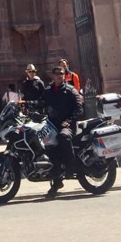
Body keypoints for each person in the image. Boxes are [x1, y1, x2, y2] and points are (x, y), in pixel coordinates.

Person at [44, 65, 84, 197]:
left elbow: (79, 108)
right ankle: (56, 181)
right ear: (53, 75)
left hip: (68, 125)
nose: (59, 76)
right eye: (57, 74)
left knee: (63, 137)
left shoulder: (71, 90)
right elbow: (41, 103)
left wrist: (70, 120)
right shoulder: (48, 91)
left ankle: (70, 167)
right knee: (48, 148)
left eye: (61, 74)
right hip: (52, 125)